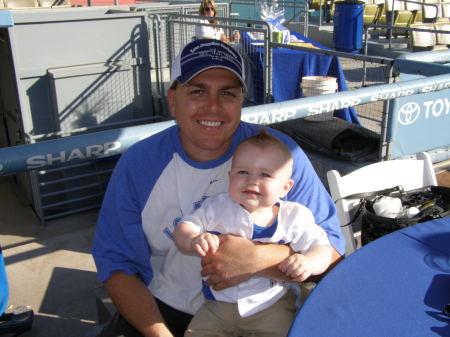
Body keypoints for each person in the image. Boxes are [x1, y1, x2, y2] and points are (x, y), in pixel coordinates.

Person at [92, 38, 345, 337]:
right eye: (198, 91)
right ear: (173, 99)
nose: (213, 106)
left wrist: (258, 259)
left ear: (241, 101)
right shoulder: (139, 164)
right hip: (167, 309)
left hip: (267, 307)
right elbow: (117, 264)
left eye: (227, 93)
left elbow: (332, 252)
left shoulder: (280, 156)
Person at [174, 129, 332, 337]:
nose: (252, 181)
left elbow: (323, 249)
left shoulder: (294, 216)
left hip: (271, 306)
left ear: (286, 187)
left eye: (265, 174)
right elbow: (183, 228)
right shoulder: (216, 208)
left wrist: (309, 262)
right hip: (217, 306)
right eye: (242, 172)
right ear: (230, 176)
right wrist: (194, 239)